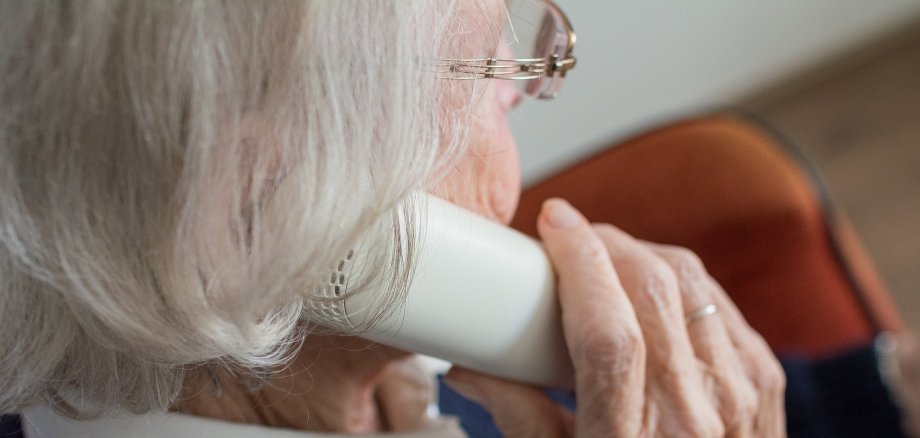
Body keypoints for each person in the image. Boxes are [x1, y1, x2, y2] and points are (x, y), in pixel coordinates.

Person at [2, 1, 789, 436]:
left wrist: (887, 378)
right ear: (259, 213)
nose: (520, 90)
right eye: (491, 65)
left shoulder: (399, 370)